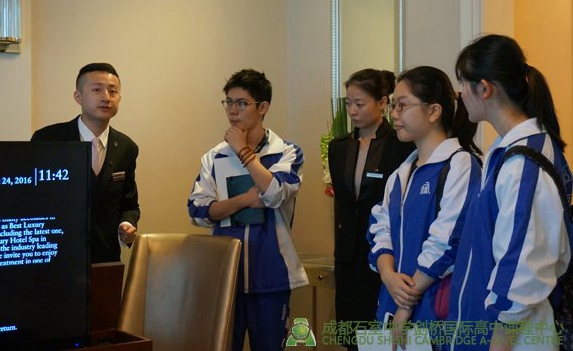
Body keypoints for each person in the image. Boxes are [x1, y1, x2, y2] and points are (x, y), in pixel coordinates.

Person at [447, 34, 572, 351]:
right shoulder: (510, 150)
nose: (461, 94)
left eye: (462, 83)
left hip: (513, 338)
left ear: (484, 88)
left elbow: (520, 266)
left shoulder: (522, 162)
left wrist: (499, 342)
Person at [187, 69, 308, 351]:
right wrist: (243, 200)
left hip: (271, 273)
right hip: (225, 275)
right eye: (228, 102)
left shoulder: (286, 151)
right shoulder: (214, 156)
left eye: (241, 103)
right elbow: (197, 211)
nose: (232, 110)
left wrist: (243, 151)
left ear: (262, 107)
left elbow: (275, 193)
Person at [367, 66, 482, 347]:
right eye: (393, 106)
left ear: (433, 111)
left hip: (434, 311)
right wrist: (388, 276)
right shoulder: (401, 174)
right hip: (391, 307)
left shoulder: (460, 164)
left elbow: (448, 239)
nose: (394, 114)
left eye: (402, 105)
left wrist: (407, 299)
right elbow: (380, 229)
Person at [328, 69, 414, 349]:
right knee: (351, 335)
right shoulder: (339, 148)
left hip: (383, 256)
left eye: (360, 104)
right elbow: (342, 205)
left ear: (382, 103)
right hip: (347, 255)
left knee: (378, 336)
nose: (352, 111)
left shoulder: (401, 146)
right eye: (348, 103)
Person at [32, 62, 140, 263]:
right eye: (97, 90)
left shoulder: (127, 147)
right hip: (53, 253)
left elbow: (129, 203)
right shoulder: (48, 140)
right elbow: (32, 198)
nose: (106, 97)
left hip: (105, 255)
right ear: (78, 97)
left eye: (113, 91)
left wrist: (127, 224)